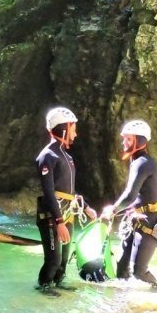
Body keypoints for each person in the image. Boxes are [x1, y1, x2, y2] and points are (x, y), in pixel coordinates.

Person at [34, 106, 97, 297]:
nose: (76, 134)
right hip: (52, 216)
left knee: (63, 260)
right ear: (63, 128)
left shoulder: (67, 156)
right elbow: (49, 192)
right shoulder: (48, 156)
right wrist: (59, 221)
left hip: (67, 213)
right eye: (73, 128)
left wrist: (85, 207)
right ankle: (43, 288)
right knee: (53, 260)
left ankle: (58, 284)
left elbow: (68, 190)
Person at [100, 119, 157, 289]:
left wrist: (113, 209)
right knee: (122, 269)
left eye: (128, 139)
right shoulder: (136, 161)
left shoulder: (143, 163)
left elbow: (130, 195)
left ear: (140, 140)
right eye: (124, 139)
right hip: (137, 218)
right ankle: (124, 307)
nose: (124, 142)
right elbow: (133, 195)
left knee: (139, 271)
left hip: (150, 221)